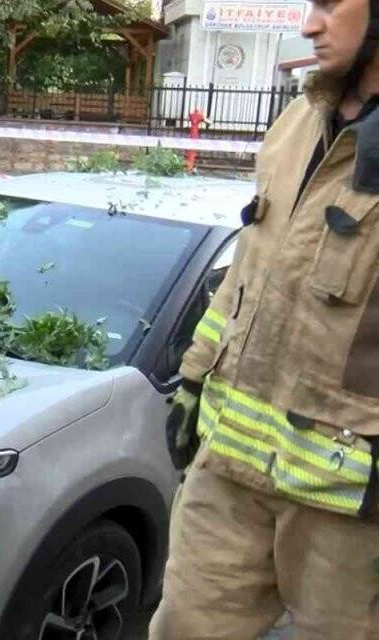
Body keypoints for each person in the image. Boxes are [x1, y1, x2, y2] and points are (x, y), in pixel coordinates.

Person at [150, 1, 379, 637]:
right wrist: (194, 378)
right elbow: (249, 269)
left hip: (351, 505)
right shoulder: (296, 123)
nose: (309, 24)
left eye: (331, 5)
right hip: (229, 466)